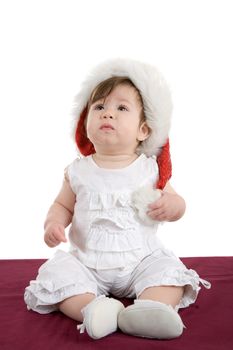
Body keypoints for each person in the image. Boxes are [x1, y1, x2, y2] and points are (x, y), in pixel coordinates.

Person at [24, 58, 210, 340]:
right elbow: (62, 206)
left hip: (142, 260)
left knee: (169, 273)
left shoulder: (150, 169)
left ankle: (153, 308)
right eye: (99, 107)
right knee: (59, 279)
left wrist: (173, 207)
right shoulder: (78, 172)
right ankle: (95, 310)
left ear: (143, 130)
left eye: (121, 108)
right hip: (87, 262)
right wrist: (53, 224)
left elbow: (179, 203)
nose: (107, 114)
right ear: (85, 122)